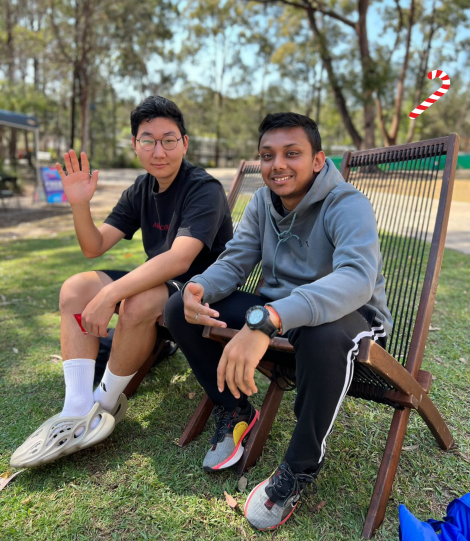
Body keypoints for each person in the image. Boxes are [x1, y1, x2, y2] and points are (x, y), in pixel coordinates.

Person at [165, 112, 393, 531]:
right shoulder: (261, 204)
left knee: (325, 335)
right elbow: (235, 261)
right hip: (280, 313)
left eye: (292, 153)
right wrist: (199, 286)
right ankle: (234, 411)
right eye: (267, 155)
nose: (278, 165)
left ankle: (298, 468)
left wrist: (269, 319)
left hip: (348, 317)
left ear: (319, 160)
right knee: (178, 306)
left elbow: (356, 278)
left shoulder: (348, 204)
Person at [10, 95, 233, 468]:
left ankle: (105, 404)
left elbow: (181, 258)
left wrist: (111, 294)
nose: (158, 150)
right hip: (156, 281)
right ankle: (76, 408)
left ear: (185, 143)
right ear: (135, 145)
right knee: (75, 289)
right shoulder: (141, 188)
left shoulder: (203, 188)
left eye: (169, 139)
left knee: (137, 302)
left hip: (197, 286)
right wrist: (79, 203)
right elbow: (94, 246)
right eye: (148, 140)